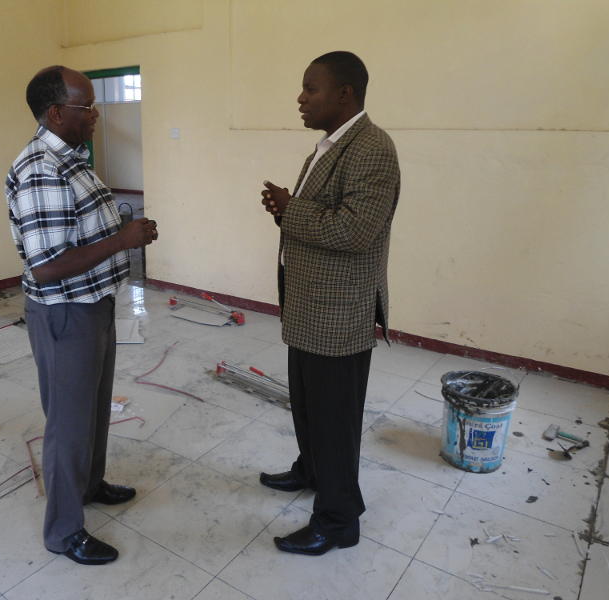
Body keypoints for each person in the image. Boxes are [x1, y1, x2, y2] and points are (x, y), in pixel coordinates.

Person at [5, 66, 158, 565]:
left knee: (92, 409)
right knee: (68, 426)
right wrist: (121, 239)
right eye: (85, 106)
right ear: (55, 112)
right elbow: (47, 266)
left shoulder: (71, 160)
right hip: (65, 313)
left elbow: (80, 229)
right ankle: (63, 531)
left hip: (95, 302)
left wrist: (122, 227)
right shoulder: (40, 170)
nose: (95, 114)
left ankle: (90, 486)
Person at [259, 51, 400, 556]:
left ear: (345, 93)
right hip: (309, 307)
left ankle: (339, 520)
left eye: (310, 88)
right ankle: (312, 470)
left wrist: (290, 210)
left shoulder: (372, 148)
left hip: (340, 314)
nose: (301, 97)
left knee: (335, 419)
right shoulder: (328, 145)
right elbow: (322, 216)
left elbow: (356, 230)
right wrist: (287, 212)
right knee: (308, 404)